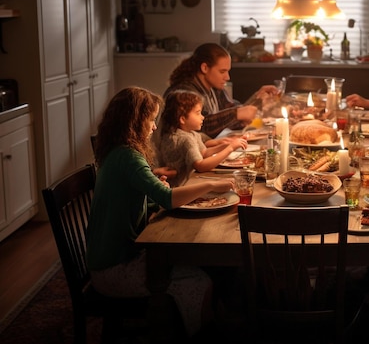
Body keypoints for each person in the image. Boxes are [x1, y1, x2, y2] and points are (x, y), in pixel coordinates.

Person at [86, 86, 235, 340]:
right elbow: (166, 199)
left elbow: (146, 200)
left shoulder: (118, 152)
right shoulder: (128, 158)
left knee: (197, 262)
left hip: (112, 258)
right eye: (150, 120)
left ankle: (204, 321)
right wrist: (212, 184)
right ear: (133, 122)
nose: (154, 127)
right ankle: (203, 334)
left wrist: (155, 189)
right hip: (113, 269)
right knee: (200, 279)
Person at [164, 43, 279, 139]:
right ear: (204, 68)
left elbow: (230, 112)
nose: (227, 77)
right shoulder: (183, 93)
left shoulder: (214, 87)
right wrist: (237, 114)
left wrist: (257, 99)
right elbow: (200, 127)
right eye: (222, 71)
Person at [157, 89, 249, 187]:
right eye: (197, 113)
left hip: (188, 183)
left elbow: (203, 153)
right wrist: (230, 148)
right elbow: (200, 166)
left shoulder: (190, 134)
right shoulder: (185, 139)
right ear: (182, 119)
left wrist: (225, 146)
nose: (202, 117)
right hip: (180, 188)